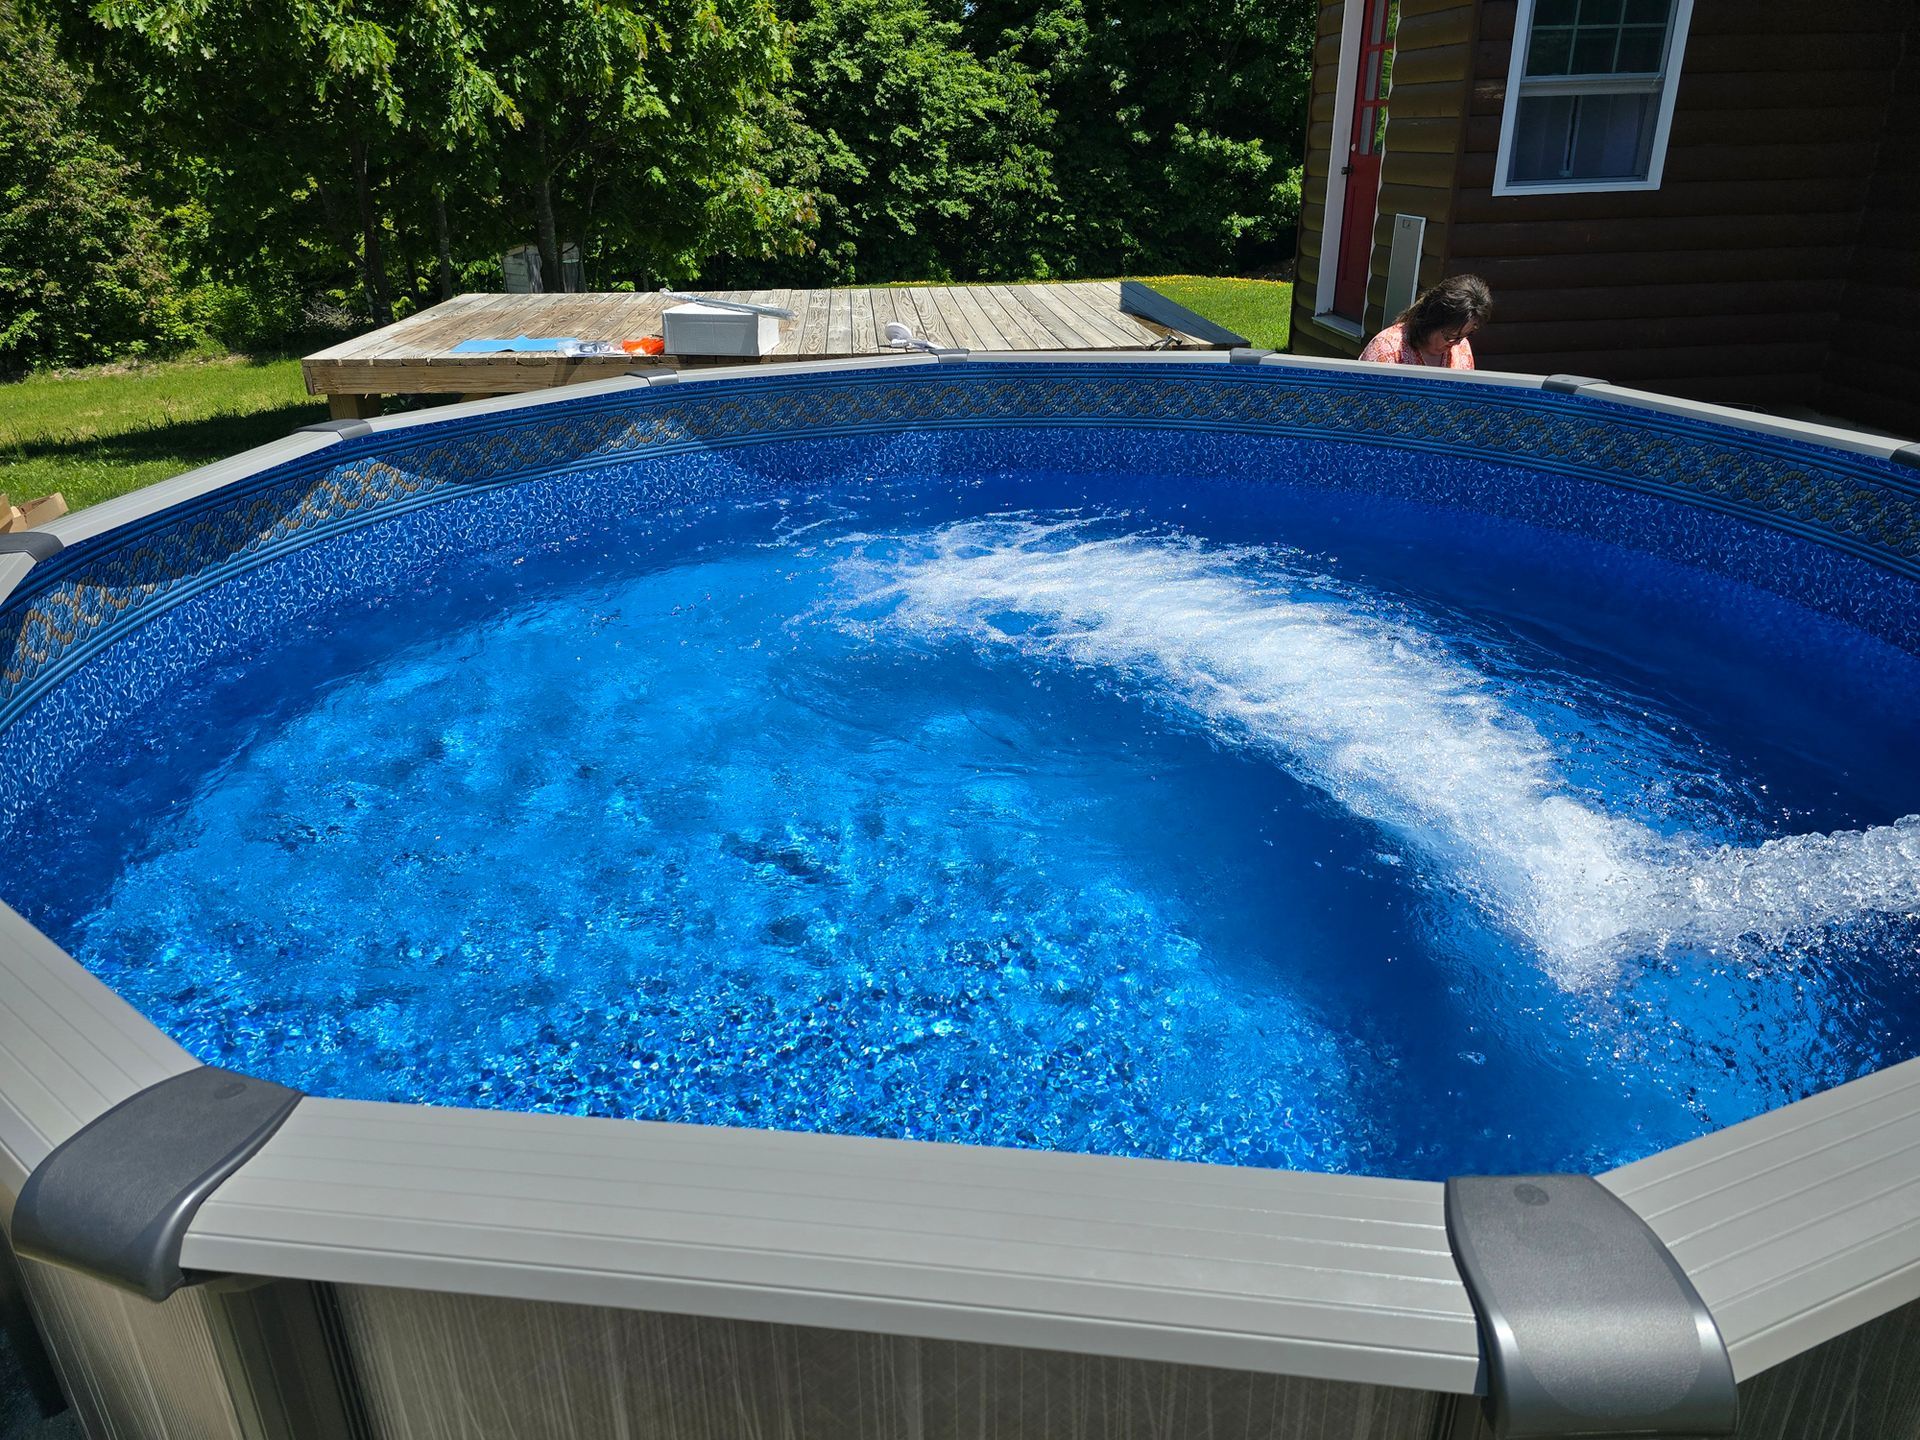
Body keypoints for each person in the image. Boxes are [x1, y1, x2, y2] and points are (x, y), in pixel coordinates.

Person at [1359, 275, 1492, 369]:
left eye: (1463, 336)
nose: (1457, 343)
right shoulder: (1387, 349)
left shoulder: (1462, 348)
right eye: (1450, 336)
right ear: (1431, 321)